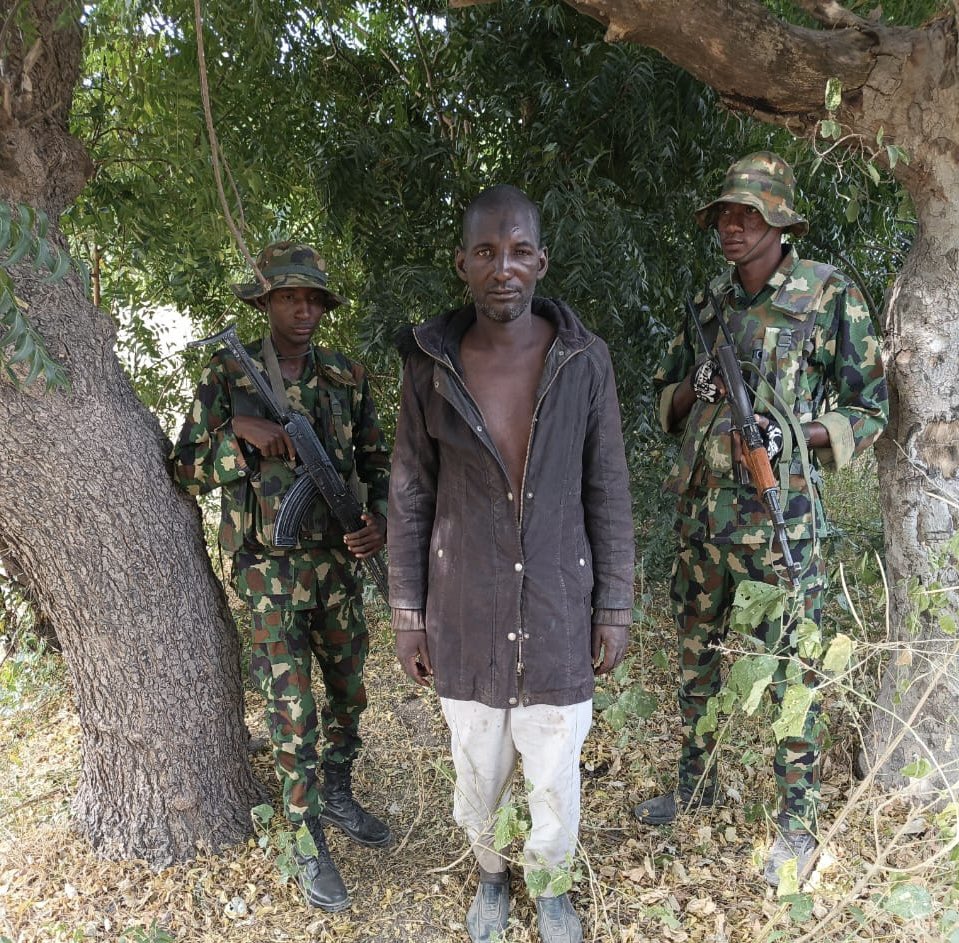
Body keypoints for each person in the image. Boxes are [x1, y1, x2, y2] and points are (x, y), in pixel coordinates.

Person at [387, 185, 635, 943]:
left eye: (520, 251)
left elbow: (608, 485)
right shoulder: (430, 366)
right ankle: (492, 876)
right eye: (487, 252)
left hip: (559, 604)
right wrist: (407, 613)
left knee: (554, 769)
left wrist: (615, 603)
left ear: (541, 262)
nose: (504, 267)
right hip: (463, 607)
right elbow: (409, 491)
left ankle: (551, 886)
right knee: (478, 765)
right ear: (462, 264)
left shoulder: (583, 362)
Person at [634, 152, 888, 886]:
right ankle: (697, 780)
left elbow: (867, 408)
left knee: (789, 674)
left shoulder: (826, 292)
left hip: (780, 521)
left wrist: (791, 431)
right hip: (702, 521)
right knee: (694, 657)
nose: (731, 227)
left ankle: (796, 821)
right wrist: (696, 385)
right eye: (724, 215)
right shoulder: (708, 303)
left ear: (779, 220)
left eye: (747, 215)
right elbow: (666, 402)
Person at [170, 241, 392, 912]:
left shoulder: (348, 374)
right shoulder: (226, 377)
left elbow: (380, 461)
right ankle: (304, 835)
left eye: (312, 299)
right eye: (289, 297)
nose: (302, 309)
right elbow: (184, 468)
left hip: (337, 568)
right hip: (268, 572)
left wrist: (376, 520)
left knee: (350, 693)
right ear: (264, 304)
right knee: (292, 707)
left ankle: (337, 789)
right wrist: (239, 434)